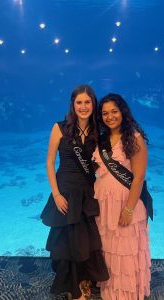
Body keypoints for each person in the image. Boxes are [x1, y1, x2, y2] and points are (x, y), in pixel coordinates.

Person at [40, 85, 109, 300]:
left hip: (88, 192)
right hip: (65, 192)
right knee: (67, 241)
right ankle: (72, 286)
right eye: (79, 102)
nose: (83, 106)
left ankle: (85, 280)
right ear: (73, 104)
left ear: (93, 104)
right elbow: (50, 163)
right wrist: (57, 194)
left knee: (86, 241)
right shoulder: (59, 128)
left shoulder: (99, 131)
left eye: (87, 102)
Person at [92, 93, 152, 300]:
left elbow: (139, 177)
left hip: (125, 204)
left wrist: (129, 209)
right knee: (108, 247)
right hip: (104, 204)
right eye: (105, 113)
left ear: (123, 112)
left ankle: (125, 293)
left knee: (125, 250)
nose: (110, 117)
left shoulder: (134, 138)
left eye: (114, 112)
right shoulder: (101, 139)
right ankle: (110, 288)